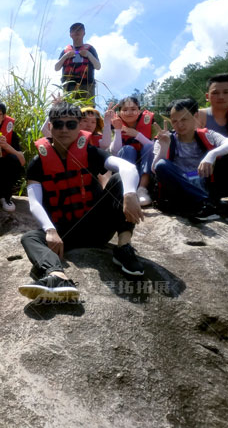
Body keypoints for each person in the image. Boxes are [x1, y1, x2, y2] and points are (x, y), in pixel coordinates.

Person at [18, 102, 146, 302]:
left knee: (120, 180)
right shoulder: (38, 163)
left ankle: (123, 248)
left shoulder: (90, 153)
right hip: (63, 234)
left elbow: (127, 167)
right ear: (50, 127)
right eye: (58, 124)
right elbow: (35, 203)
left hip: (96, 227)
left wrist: (130, 193)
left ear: (79, 126)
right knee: (29, 238)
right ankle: (57, 277)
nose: (64, 129)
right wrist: (50, 229)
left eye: (70, 124)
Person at [153, 97, 228, 230]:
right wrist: (164, 146)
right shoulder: (165, 139)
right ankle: (204, 203)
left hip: (208, 181)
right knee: (162, 165)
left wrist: (211, 155)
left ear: (195, 116)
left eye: (184, 119)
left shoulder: (208, 135)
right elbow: (156, 169)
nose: (180, 125)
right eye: (175, 121)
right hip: (183, 186)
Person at [111, 97, 156, 207]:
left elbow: (154, 147)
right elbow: (114, 152)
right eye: (125, 109)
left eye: (133, 109)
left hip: (145, 162)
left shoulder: (150, 122)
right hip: (128, 162)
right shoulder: (115, 124)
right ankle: (129, 189)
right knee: (128, 149)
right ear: (119, 113)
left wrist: (137, 135)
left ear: (139, 111)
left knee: (148, 147)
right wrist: (117, 130)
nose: (129, 112)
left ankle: (142, 189)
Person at [54, 22, 101, 98]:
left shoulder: (90, 49)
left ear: (84, 33)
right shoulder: (65, 51)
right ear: (70, 34)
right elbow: (56, 68)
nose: (77, 31)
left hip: (87, 86)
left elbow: (98, 66)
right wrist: (65, 56)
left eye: (79, 29)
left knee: (87, 110)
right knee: (68, 109)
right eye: (74, 30)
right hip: (68, 86)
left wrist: (89, 55)